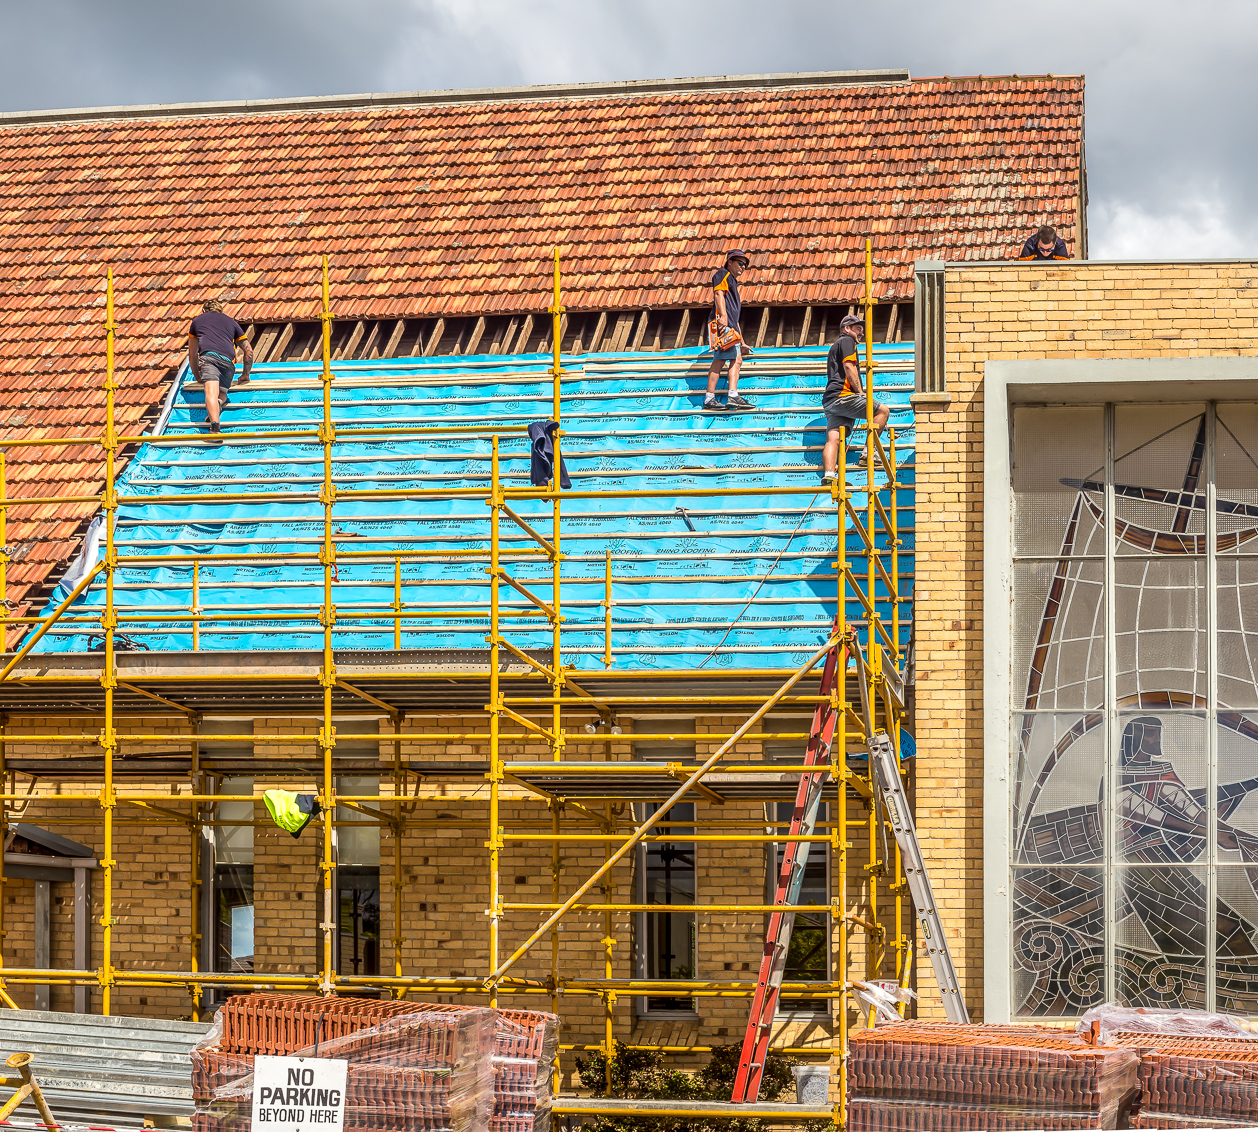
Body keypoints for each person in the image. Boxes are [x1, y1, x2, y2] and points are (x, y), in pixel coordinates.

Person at [821, 313, 889, 480]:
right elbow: (849, 366)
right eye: (858, 329)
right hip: (843, 396)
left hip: (830, 401)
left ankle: (829, 474)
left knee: (834, 437)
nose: (861, 333)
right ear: (847, 329)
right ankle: (868, 453)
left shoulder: (836, 345)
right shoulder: (847, 341)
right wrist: (860, 394)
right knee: (883, 411)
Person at [187, 298, 252, 434]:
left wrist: (198, 377)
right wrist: (245, 375)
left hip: (209, 358)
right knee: (222, 393)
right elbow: (248, 351)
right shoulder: (231, 322)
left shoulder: (197, 321)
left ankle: (215, 429)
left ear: (204, 310)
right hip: (228, 363)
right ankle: (218, 404)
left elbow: (192, 353)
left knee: (210, 392)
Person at [703, 249, 754, 412]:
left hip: (729, 327)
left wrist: (742, 342)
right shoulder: (723, 274)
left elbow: (735, 319)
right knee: (729, 360)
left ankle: (719, 396)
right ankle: (722, 396)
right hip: (722, 325)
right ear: (729, 262)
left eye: (745, 265)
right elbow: (718, 293)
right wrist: (723, 316)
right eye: (740, 263)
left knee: (727, 359)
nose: (743, 267)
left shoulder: (733, 283)